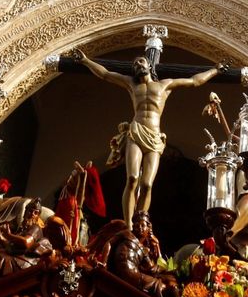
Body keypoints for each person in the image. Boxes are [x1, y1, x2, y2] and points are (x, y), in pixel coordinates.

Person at [73, 47, 218, 222]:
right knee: (133, 178)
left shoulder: (165, 85)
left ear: (149, 65)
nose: (137, 65)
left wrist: (215, 70)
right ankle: (128, 225)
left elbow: (194, 81)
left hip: (155, 137)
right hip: (136, 131)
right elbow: (105, 74)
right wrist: (85, 60)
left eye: (140, 62)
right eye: (134, 64)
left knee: (147, 184)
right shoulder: (131, 84)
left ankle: (140, 219)